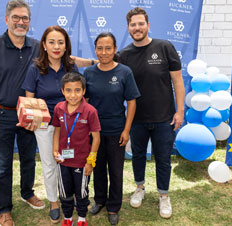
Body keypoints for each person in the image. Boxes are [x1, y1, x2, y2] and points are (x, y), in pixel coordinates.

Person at [0, 1, 44, 226]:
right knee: (3, 164)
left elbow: (61, 62)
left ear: (29, 22)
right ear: (6, 20)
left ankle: (27, 193)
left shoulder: (37, 46)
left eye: (25, 18)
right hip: (0, 114)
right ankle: (4, 209)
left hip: (28, 115)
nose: (21, 22)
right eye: (16, 17)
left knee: (28, 159)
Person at [118, 7, 185, 219]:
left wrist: (180, 111)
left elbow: (177, 81)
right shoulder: (124, 55)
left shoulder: (164, 47)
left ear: (148, 25)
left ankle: (164, 195)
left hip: (164, 117)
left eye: (140, 24)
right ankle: (140, 188)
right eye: (133, 25)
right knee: (137, 156)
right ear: (128, 28)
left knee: (163, 158)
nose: (137, 28)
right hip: (136, 119)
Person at [21, 25, 78, 224]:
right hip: (45, 126)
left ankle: (70, 198)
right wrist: (32, 120)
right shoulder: (35, 68)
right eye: (51, 42)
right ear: (44, 45)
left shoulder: (71, 66)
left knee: (71, 161)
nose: (56, 46)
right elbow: (29, 102)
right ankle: (54, 202)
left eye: (60, 42)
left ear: (66, 46)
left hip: (70, 125)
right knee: (50, 165)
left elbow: (80, 96)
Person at [84, 32, 140, 225]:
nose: (104, 52)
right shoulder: (89, 73)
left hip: (117, 131)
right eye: (100, 48)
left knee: (115, 170)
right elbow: (86, 103)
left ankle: (114, 206)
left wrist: (126, 130)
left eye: (108, 48)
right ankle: (99, 200)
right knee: (97, 168)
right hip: (95, 133)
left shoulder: (125, 72)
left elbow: (132, 102)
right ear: (95, 49)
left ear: (115, 49)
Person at [52, 72, 101, 226]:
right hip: (63, 161)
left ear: (84, 91)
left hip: (81, 162)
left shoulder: (90, 111)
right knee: (64, 192)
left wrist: (90, 162)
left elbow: (96, 138)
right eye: (68, 90)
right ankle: (67, 218)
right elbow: (57, 130)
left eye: (77, 90)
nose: (73, 95)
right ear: (62, 91)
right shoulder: (59, 108)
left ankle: (81, 218)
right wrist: (55, 150)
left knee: (81, 192)